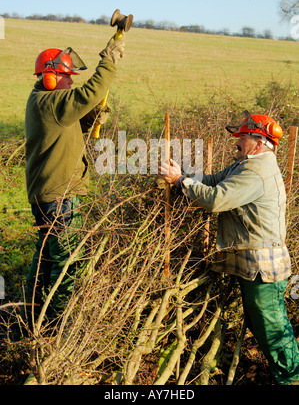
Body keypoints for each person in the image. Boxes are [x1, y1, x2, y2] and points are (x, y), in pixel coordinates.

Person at [158, 110, 299, 385]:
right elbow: (213, 181)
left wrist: (179, 181)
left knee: (272, 328)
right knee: (265, 325)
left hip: (263, 267)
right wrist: (184, 175)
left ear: (258, 143)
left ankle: (292, 378)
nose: (235, 142)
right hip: (256, 264)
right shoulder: (246, 164)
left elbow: (216, 199)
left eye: (241, 137)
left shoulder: (256, 171)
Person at [22, 36, 124, 327]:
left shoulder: (42, 101)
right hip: (59, 198)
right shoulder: (51, 100)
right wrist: (109, 60)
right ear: (50, 78)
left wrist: (89, 119)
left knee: (45, 257)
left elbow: (67, 125)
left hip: (47, 195)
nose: (71, 82)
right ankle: (56, 324)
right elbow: (92, 90)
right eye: (66, 77)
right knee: (68, 263)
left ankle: (31, 312)